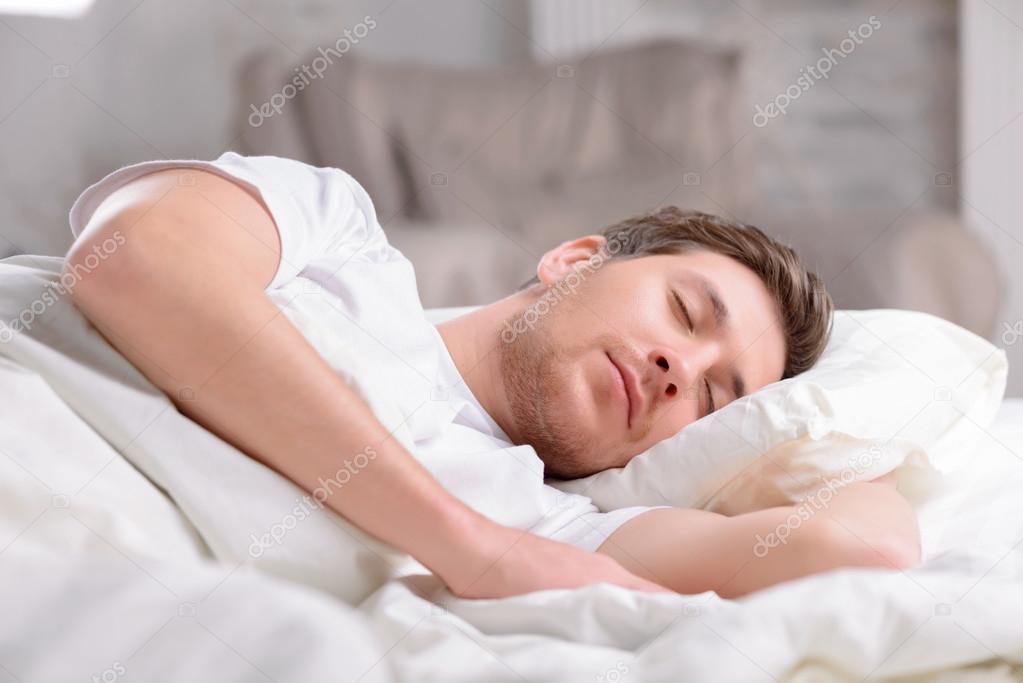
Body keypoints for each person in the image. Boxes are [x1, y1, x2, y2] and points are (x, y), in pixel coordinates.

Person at [64, 153, 920, 600]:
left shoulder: (555, 528)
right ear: (574, 258)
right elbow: (128, 259)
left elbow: (860, 549)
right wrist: (465, 546)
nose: (676, 369)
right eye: (685, 313)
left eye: (713, 395)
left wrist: (851, 421)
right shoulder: (334, 237)